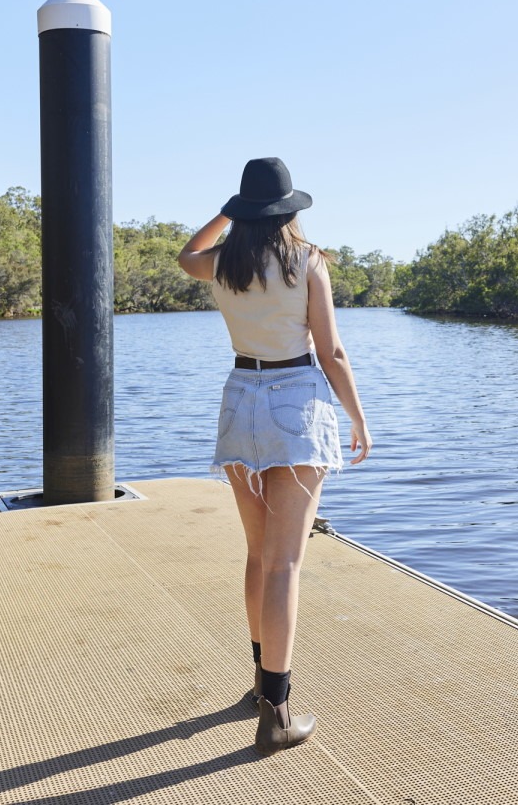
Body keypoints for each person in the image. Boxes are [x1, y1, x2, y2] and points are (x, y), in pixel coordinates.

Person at [177, 156, 371, 755]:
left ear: (243, 210)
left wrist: (225, 214)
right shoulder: (306, 262)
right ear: (289, 211)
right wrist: (358, 416)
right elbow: (331, 351)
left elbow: (187, 255)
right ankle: (278, 713)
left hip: (241, 401)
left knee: (260, 555)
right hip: (295, 400)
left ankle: (260, 687)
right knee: (286, 564)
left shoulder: (223, 263)